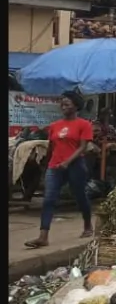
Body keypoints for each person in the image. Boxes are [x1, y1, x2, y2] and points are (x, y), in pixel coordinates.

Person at [25, 92, 94, 249]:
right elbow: (51, 146)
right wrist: (46, 164)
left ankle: (88, 225)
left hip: (75, 166)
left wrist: (67, 162)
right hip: (55, 166)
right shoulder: (55, 125)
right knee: (49, 199)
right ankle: (43, 236)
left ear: (76, 106)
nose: (63, 107)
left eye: (67, 104)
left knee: (80, 196)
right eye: (62, 104)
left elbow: (83, 147)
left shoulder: (84, 124)